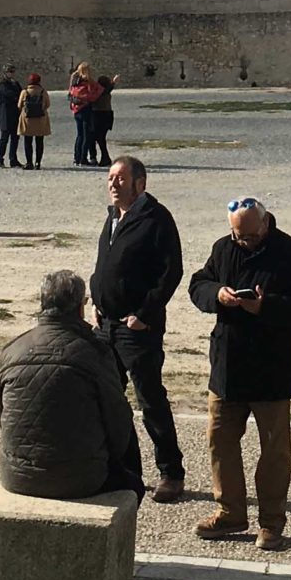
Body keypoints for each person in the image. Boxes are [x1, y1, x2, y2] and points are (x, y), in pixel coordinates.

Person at [190, 195, 291, 551]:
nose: (243, 242)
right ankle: (231, 512)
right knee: (220, 442)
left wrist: (266, 306)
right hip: (227, 366)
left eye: (248, 236)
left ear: (265, 224)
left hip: (271, 368)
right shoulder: (223, 248)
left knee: (274, 451)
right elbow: (197, 284)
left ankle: (271, 523)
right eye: (238, 236)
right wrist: (217, 294)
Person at [0, 269, 144, 500]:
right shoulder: (94, 352)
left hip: (17, 476)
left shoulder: (13, 349)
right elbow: (118, 424)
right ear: (80, 307)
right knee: (133, 484)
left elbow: (1, 413)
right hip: (80, 478)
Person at [92, 156, 186, 502]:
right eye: (110, 178)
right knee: (108, 399)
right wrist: (96, 302)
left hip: (137, 328)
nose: (113, 184)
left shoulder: (156, 219)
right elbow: (104, 264)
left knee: (150, 400)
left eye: (120, 178)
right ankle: (121, 468)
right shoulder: (113, 217)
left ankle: (171, 472)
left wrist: (144, 313)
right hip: (106, 326)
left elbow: (170, 272)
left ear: (140, 184)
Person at [68, 64, 103, 168]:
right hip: (85, 109)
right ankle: (83, 158)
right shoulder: (87, 82)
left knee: (79, 135)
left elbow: (70, 93)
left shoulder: (75, 81)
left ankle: (76, 157)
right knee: (86, 135)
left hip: (76, 110)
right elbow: (94, 95)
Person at [16, 73, 52, 170]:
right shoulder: (43, 92)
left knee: (28, 142)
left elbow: (19, 105)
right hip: (40, 120)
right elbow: (48, 104)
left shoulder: (25, 92)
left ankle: (29, 162)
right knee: (39, 142)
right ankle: (38, 162)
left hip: (27, 120)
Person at [0, 66, 22, 169]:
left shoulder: (15, 83)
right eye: (10, 72)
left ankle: (13, 159)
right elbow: (8, 94)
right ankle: (0, 159)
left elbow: (21, 94)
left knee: (15, 137)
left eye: (13, 72)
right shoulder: (2, 84)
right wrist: (16, 96)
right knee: (4, 137)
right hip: (5, 114)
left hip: (15, 113)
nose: (12, 74)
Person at [92, 72, 118, 166]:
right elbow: (108, 89)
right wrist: (113, 82)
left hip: (100, 115)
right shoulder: (106, 92)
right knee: (101, 138)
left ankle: (104, 158)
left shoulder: (100, 92)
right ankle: (104, 157)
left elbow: (106, 90)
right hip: (107, 115)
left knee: (99, 138)